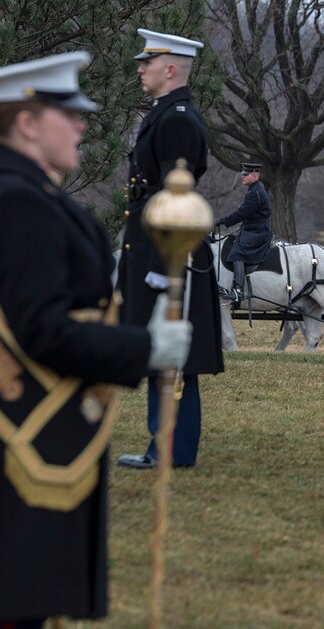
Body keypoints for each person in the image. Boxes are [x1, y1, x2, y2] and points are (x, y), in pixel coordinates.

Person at [0, 52, 193, 625]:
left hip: (43, 433)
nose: (82, 124)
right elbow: (42, 331)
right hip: (24, 438)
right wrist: (143, 350)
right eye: (68, 113)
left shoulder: (30, 195)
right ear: (27, 121)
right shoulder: (18, 203)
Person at [116, 29, 224, 470]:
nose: (140, 69)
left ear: (171, 68)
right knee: (164, 352)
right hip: (157, 252)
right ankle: (163, 445)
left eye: (148, 62)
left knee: (176, 356)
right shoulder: (166, 113)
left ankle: (172, 450)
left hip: (171, 257)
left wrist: (163, 270)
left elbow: (175, 202)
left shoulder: (177, 118)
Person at [215, 161, 272, 302]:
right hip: (251, 230)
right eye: (242, 174)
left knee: (237, 253)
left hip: (257, 233)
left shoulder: (256, 192)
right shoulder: (254, 189)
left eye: (245, 175)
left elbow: (242, 213)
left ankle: (238, 290)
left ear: (254, 175)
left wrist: (221, 221)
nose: (242, 177)